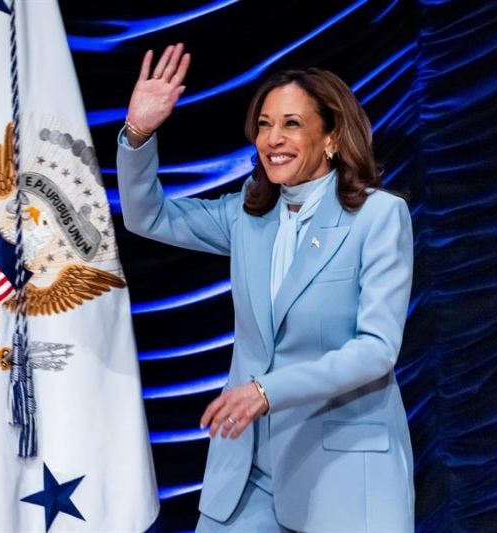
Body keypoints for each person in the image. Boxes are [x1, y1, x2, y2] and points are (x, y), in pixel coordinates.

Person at [117, 43, 415, 533]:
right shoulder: (247, 217)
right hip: (246, 471)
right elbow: (147, 215)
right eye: (263, 124)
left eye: (291, 124)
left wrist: (265, 391)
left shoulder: (379, 217)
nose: (272, 138)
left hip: (339, 470)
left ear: (332, 138)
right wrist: (138, 132)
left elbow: (376, 351)